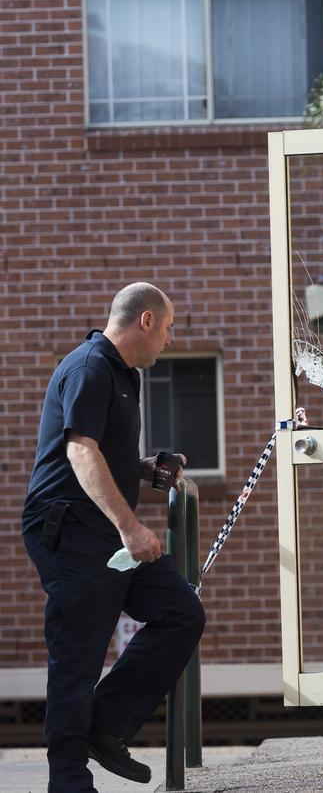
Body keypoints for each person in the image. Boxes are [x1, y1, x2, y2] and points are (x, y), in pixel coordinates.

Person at [22, 282, 206, 793]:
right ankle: (69, 781)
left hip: (106, 529)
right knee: (78, 655)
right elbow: (80, 452)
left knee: (181, 613)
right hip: (73, 530)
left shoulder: (123, 374)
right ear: (145, 321)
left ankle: (104, 726)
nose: (169, 340)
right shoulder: (89, 367)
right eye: (167, 329)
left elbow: (99, 451)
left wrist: (144, 469)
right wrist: (131, 526)